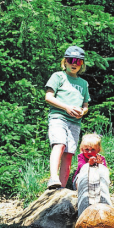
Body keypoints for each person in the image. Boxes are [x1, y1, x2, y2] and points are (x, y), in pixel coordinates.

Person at [45, 46, 90, 190]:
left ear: (81, 64)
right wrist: (66, 107)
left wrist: (82, 112)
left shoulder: (84, 83)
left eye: (78, 61)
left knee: (69, 153)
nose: (74, 63)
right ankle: (53, 178)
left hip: (75, 122)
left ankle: (62, 188)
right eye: (71, 60)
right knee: (59, 144)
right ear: (65, 61)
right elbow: (48, 97)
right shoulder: (58, 76)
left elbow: (86, 105)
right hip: (58, 117)